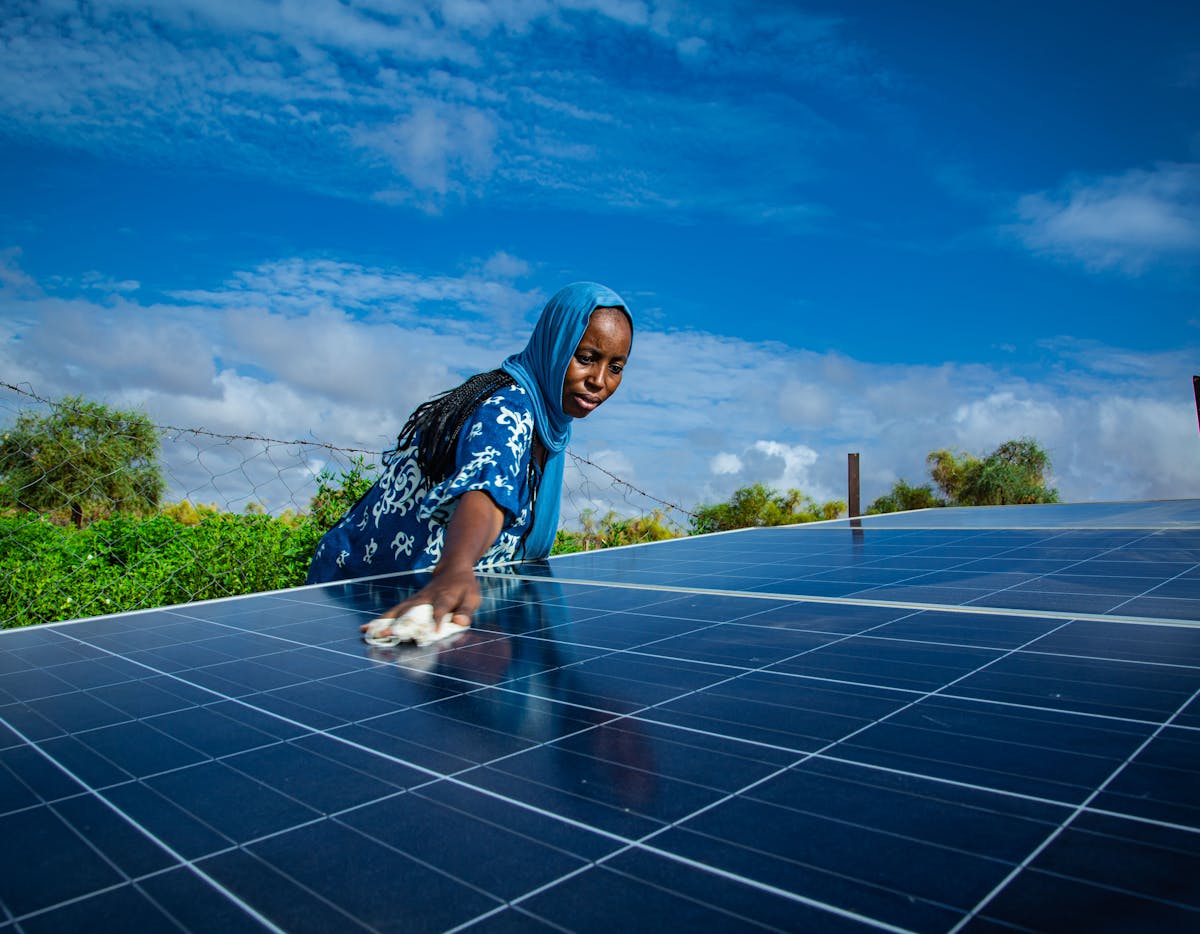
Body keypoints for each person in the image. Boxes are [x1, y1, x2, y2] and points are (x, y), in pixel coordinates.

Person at [306, 281, 633, 631]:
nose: (599, 380)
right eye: (586, 358)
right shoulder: (506, 410)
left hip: (416, 594)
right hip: (354, 591)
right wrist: (457, 565)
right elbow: (486, 492)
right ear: (555, 344)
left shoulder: (550, 425)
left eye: (615, 367)